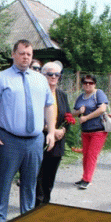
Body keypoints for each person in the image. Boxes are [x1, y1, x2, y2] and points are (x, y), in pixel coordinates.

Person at [0, 39, 55, 222]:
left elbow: (49, 106)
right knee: (4, 180)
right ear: (13, 54)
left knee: (30, 181)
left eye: (29, 54)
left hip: (35, 140)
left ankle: (27, 216)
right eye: (22, 53)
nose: (26, 57)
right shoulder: (1, 78)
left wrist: (50, 132)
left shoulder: (40, 79)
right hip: (9, 139)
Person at [35, 62, 71, 206]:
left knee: (51, 174)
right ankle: (37, 202)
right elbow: (33, 116)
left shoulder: (62, 95)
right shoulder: (37, 93)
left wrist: (63, 130)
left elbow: (68, 116)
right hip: (40, 139)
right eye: (50, 74)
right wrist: (49, 129)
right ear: (43, 75)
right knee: (39, 173)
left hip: (57, 141)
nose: (54, 77)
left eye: (57, 74)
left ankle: (46, 201)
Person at [72, 74, 108, 189]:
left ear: (95, 84)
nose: (88, 84)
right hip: (85, 131)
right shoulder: (81, 97)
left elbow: (102, 109)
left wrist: (86, 117)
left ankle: (87, 180)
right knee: (86, 155)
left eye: (91, 82)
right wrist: (78, 112)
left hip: (98, 130)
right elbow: (72, 112)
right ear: (82, 84)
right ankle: (84, 178)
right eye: (85, 82)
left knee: (92, 155)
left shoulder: (99, 94)